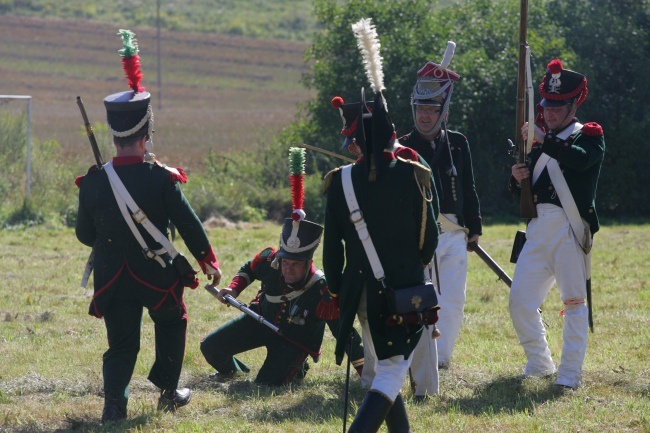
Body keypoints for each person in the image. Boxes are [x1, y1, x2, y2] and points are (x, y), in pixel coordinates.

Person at [75, 30, 221, 423]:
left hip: (111, 275)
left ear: (115, 132)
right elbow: (188, 224)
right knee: (172, 323)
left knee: (121, 345)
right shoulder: (161, 178)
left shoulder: (93, 180)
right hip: (156, 274)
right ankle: (169, 391)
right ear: (145, 133)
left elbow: (84, 235)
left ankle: (114, 405)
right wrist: (207, 260)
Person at [509, 58, 605, 390]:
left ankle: (569, 375)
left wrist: (541, 140)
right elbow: (526, 191)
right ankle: (539, 362)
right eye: (546, 106)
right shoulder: (538, 144)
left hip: (569, 228)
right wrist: (516, 177)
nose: (549, 113)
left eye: (557, 106)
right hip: (537, 230)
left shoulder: (589, 137)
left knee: (574, 303)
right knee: (519, 301)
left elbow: (578, 161)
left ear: (573, 104)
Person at [399, 42, 482, 383]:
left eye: (432, 108)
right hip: (419, 236)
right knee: (421, 300)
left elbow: (469, 188)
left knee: (454, 300)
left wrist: (474, 226)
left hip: (454, 232)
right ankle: (420, 356)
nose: (425, 114)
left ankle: (443, 358)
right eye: (420, 107)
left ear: (444, 110)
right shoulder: (402, 147)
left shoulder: (459, 143)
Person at [200, 217, 365, 385]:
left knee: (266, 384)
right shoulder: (270, 260)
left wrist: (366, 372)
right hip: (260, 320)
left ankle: (297, 367)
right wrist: (234, 288)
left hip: (293, 341)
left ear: (308, 263)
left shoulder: (322, 290)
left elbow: (343, 332)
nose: (288, 269)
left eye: (296, 264)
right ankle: (236, 372)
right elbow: (249, 268)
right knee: (210, 347)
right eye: (285, 262)